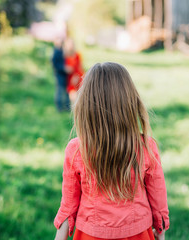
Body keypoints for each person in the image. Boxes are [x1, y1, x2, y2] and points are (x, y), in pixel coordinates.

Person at [54, 62, 169, 240]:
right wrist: (160, 236)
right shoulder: (146, 146)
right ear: (129, 102)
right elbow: (158, 203)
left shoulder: (77, 150)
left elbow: (68, 207)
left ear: (86, 105)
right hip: (138, 234)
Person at [63, 38, 84, 105]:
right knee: (72, 96)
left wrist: (77, 76)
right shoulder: (64, 56)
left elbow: (80, 67)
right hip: (69, 78)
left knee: (79, 95)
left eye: (71, 44)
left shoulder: (77, 55)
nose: (70, 46)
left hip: (77, 76)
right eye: (69, 45)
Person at [51, 37, 70, 112]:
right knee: (59, 91)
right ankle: (59, 108)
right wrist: (63, 68)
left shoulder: (63, 51)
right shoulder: (56, 52)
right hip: (59, 75)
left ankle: (67, 107)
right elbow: (55, 64)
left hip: (66, 75)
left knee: (66, 91)